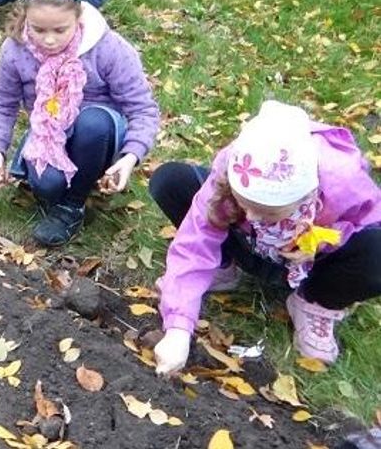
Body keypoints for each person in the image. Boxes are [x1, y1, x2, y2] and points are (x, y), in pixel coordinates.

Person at [150, 100, 381, 374]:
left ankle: (314, 302)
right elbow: (195, 241)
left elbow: (366, 224)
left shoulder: (342, 180)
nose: (253, 217)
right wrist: (178, 328)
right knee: (172, 180)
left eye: (266, 211)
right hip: (248, 246)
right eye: (243, 205)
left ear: (303, 195)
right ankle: (222, 268)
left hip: (310, 263)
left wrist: (323, 239)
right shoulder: (231, 168)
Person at [0, 0, 159, 247]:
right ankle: (55, 184)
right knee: (47, 187)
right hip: (50, 131)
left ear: (78, 18)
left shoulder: (108, 48)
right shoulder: (15, 50)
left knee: (92, 123)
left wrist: (130, 158)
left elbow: (142, 109)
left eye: (60, 29)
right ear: (25, 17)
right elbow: (2, 104)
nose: (49, 39)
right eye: (38, 29)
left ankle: (73, 205)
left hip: (99, 134)